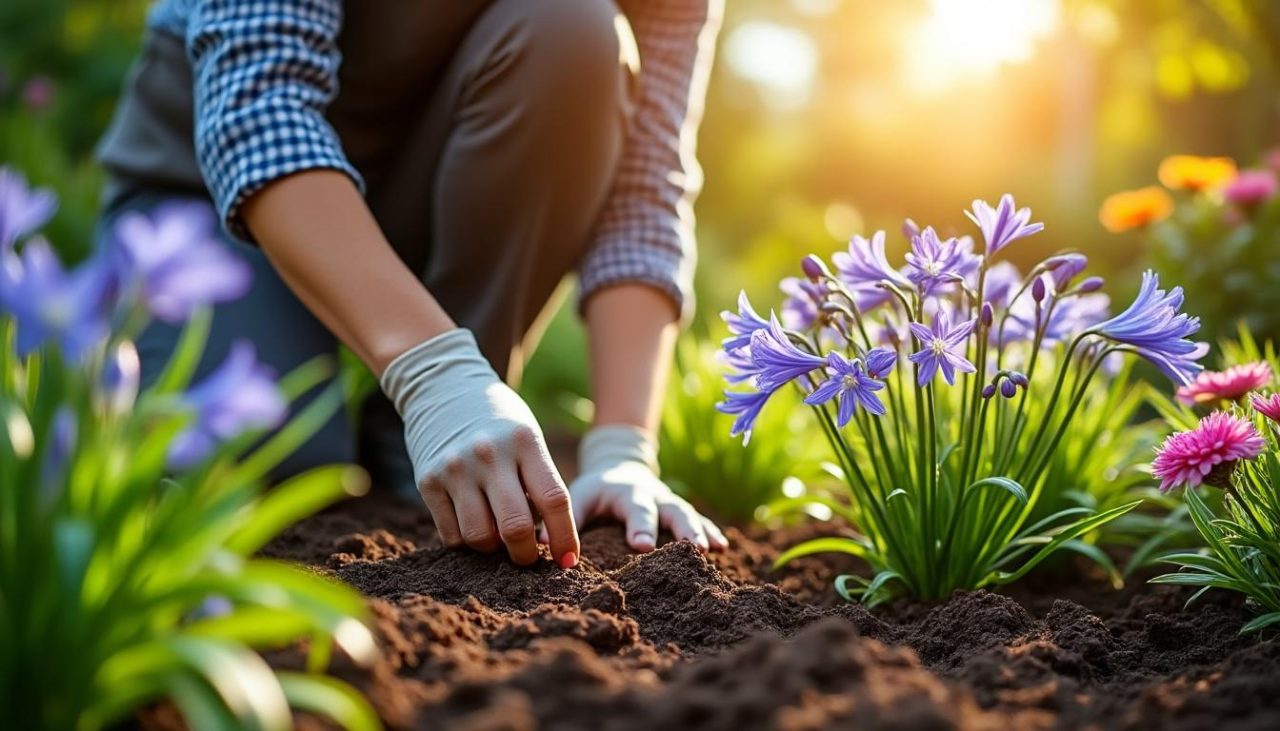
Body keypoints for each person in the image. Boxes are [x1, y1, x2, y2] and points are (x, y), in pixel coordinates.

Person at [95, 0, 728, 569]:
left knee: (575, 28)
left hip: (430, 173)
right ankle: (440, 392)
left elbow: (643, 189)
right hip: (207, 197)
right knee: (260, 470)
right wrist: (434, 376)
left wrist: (623, 448)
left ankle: (440, 442)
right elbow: (259, 111)